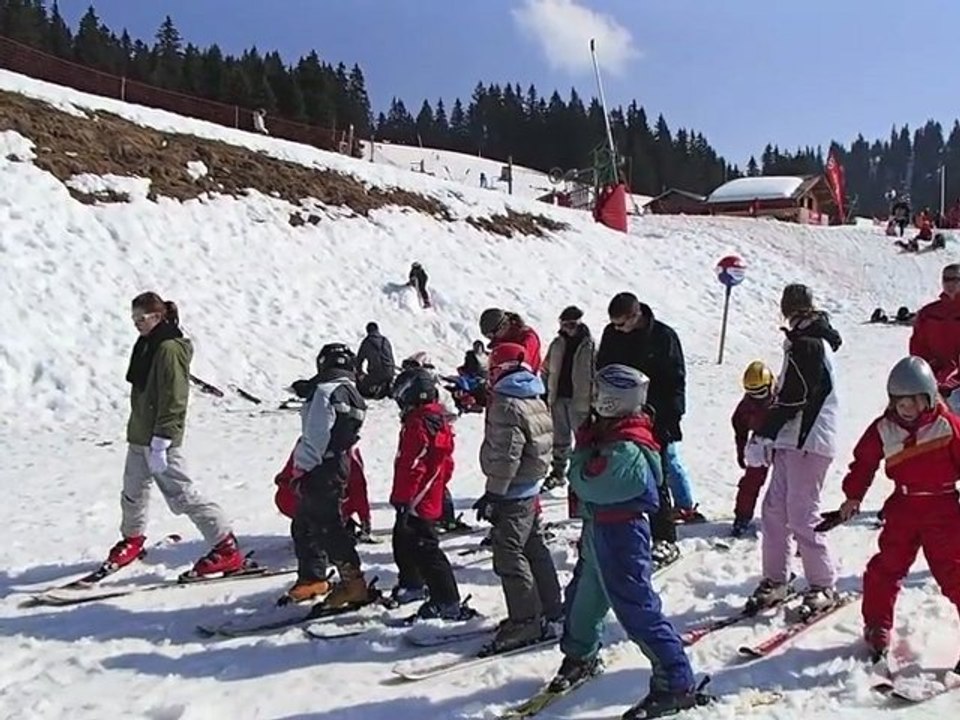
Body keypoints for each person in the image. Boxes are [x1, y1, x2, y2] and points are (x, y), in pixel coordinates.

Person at [550, 364, 710, 719]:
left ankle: (675, 682)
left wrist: (578, 463)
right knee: (583, 598)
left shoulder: (628, 447)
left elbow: (589, 482)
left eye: (598, 393)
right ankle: (580, 655)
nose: (593, 398)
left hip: (622, 534)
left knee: (636, 608)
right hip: (599, 530)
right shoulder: (609, 433)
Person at [103, 292, 244, 578]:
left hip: (161, 438)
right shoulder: (146, 344)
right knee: (133, 492)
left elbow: (175, 397)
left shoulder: (168, 348)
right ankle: (132, 538)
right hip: (140, 434)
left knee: (182, 495)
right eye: (134, 319)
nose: (137, 324)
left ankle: (225, 545)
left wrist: (163, 438)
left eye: (141, 318)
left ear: (157, 317)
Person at [832, 356, 960, 666]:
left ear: (928, 397)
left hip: (942, 508)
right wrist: (853, 496)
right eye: (899, 402)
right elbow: (863, 462)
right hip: (903, 507)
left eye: (912, 402)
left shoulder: (948, 425)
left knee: (954, 573)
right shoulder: (884, 427)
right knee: (885, 569)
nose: (905, 409)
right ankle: (878, 625)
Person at [744, 283, 842, 619]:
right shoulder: (803, 340)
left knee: (802, 514)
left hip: (810, 439)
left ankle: (822, 583)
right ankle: (776, 578)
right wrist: (771, 435)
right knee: (773, 510)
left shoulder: (810, 344)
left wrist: (763, 433)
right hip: (793, 439)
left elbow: (795, 397)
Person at [596, 292, 698, 569]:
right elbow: (603, 368)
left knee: (657, 478)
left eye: (621, 324)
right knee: (615, 473)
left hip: (654, 417)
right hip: (616, 414)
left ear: (635, 315)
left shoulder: (663, 336)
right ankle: (619, 531)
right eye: (614, 324)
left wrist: (668, 418)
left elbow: (676, 380)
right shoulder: (611, 334)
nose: (617, 329)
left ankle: (665, 538)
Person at [474, 341, 562, 653]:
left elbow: (507, 454)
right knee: (533, 546)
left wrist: (493, 494)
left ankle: (526, 621)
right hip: (529, 485)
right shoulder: (532, 394)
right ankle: (551, 606)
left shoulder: (506, 402)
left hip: (513, 490)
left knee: (509, 554)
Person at [282, 343, 372, 607]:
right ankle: (316, 577)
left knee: (323, 525)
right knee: (311, 522)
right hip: (338, 462)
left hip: (319, 465)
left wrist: (301, 469)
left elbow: (316, 436)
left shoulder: (324, 392)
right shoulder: (349, 391)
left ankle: (351, 582)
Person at [388, 368, 476, 620]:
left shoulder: (419, 423)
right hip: (426, 494)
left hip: (418, 497)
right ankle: (413, 584)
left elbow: (412, 465)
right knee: (404, 540)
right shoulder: (433, 419)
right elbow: (444, 464)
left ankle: (447, 601)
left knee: (425, 548)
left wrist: (404, 498)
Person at [541, 305, 596, 489]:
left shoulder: (590, 346)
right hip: (558, 397)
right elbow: (546, 368)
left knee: (582, 439)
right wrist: (545, 390)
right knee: (559, 438)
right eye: (565, 325)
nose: (568, 329)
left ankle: (582, 474)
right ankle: (558, 472)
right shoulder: (557, 344)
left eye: (572, 325)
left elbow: (597, 375)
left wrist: (594, 401)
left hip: (580, 401)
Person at [730, 361, 776, 537]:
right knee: (751, 482)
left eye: (761, 393)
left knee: (786, 483)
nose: (757, 398)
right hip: (760, 443)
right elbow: (740, 429)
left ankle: (789, 519)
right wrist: (741, 451)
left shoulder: (783, 397)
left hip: (783, 443)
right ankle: (742, 516)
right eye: (752, 394)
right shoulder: (746, 406)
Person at [909, 263, 960, 412]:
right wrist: (927, 367)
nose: (950, 284)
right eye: (946, 279)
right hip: (933, 379)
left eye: (955, 279)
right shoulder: (929, 313)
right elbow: (917, 345)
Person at [479, 308, 542, 372]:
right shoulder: (503, 339)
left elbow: (519, 365)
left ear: (503, 326)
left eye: (491, 335)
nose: (492, 339)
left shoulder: (527, 339)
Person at [356, 321, 396, 399]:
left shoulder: (367, 341)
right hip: (390, 372)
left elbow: (359, 360)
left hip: (376, 373)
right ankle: (387, 386)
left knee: (361, 387)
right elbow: (391, 357)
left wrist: (359, 372)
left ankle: (375, 389)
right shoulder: (385, 340)